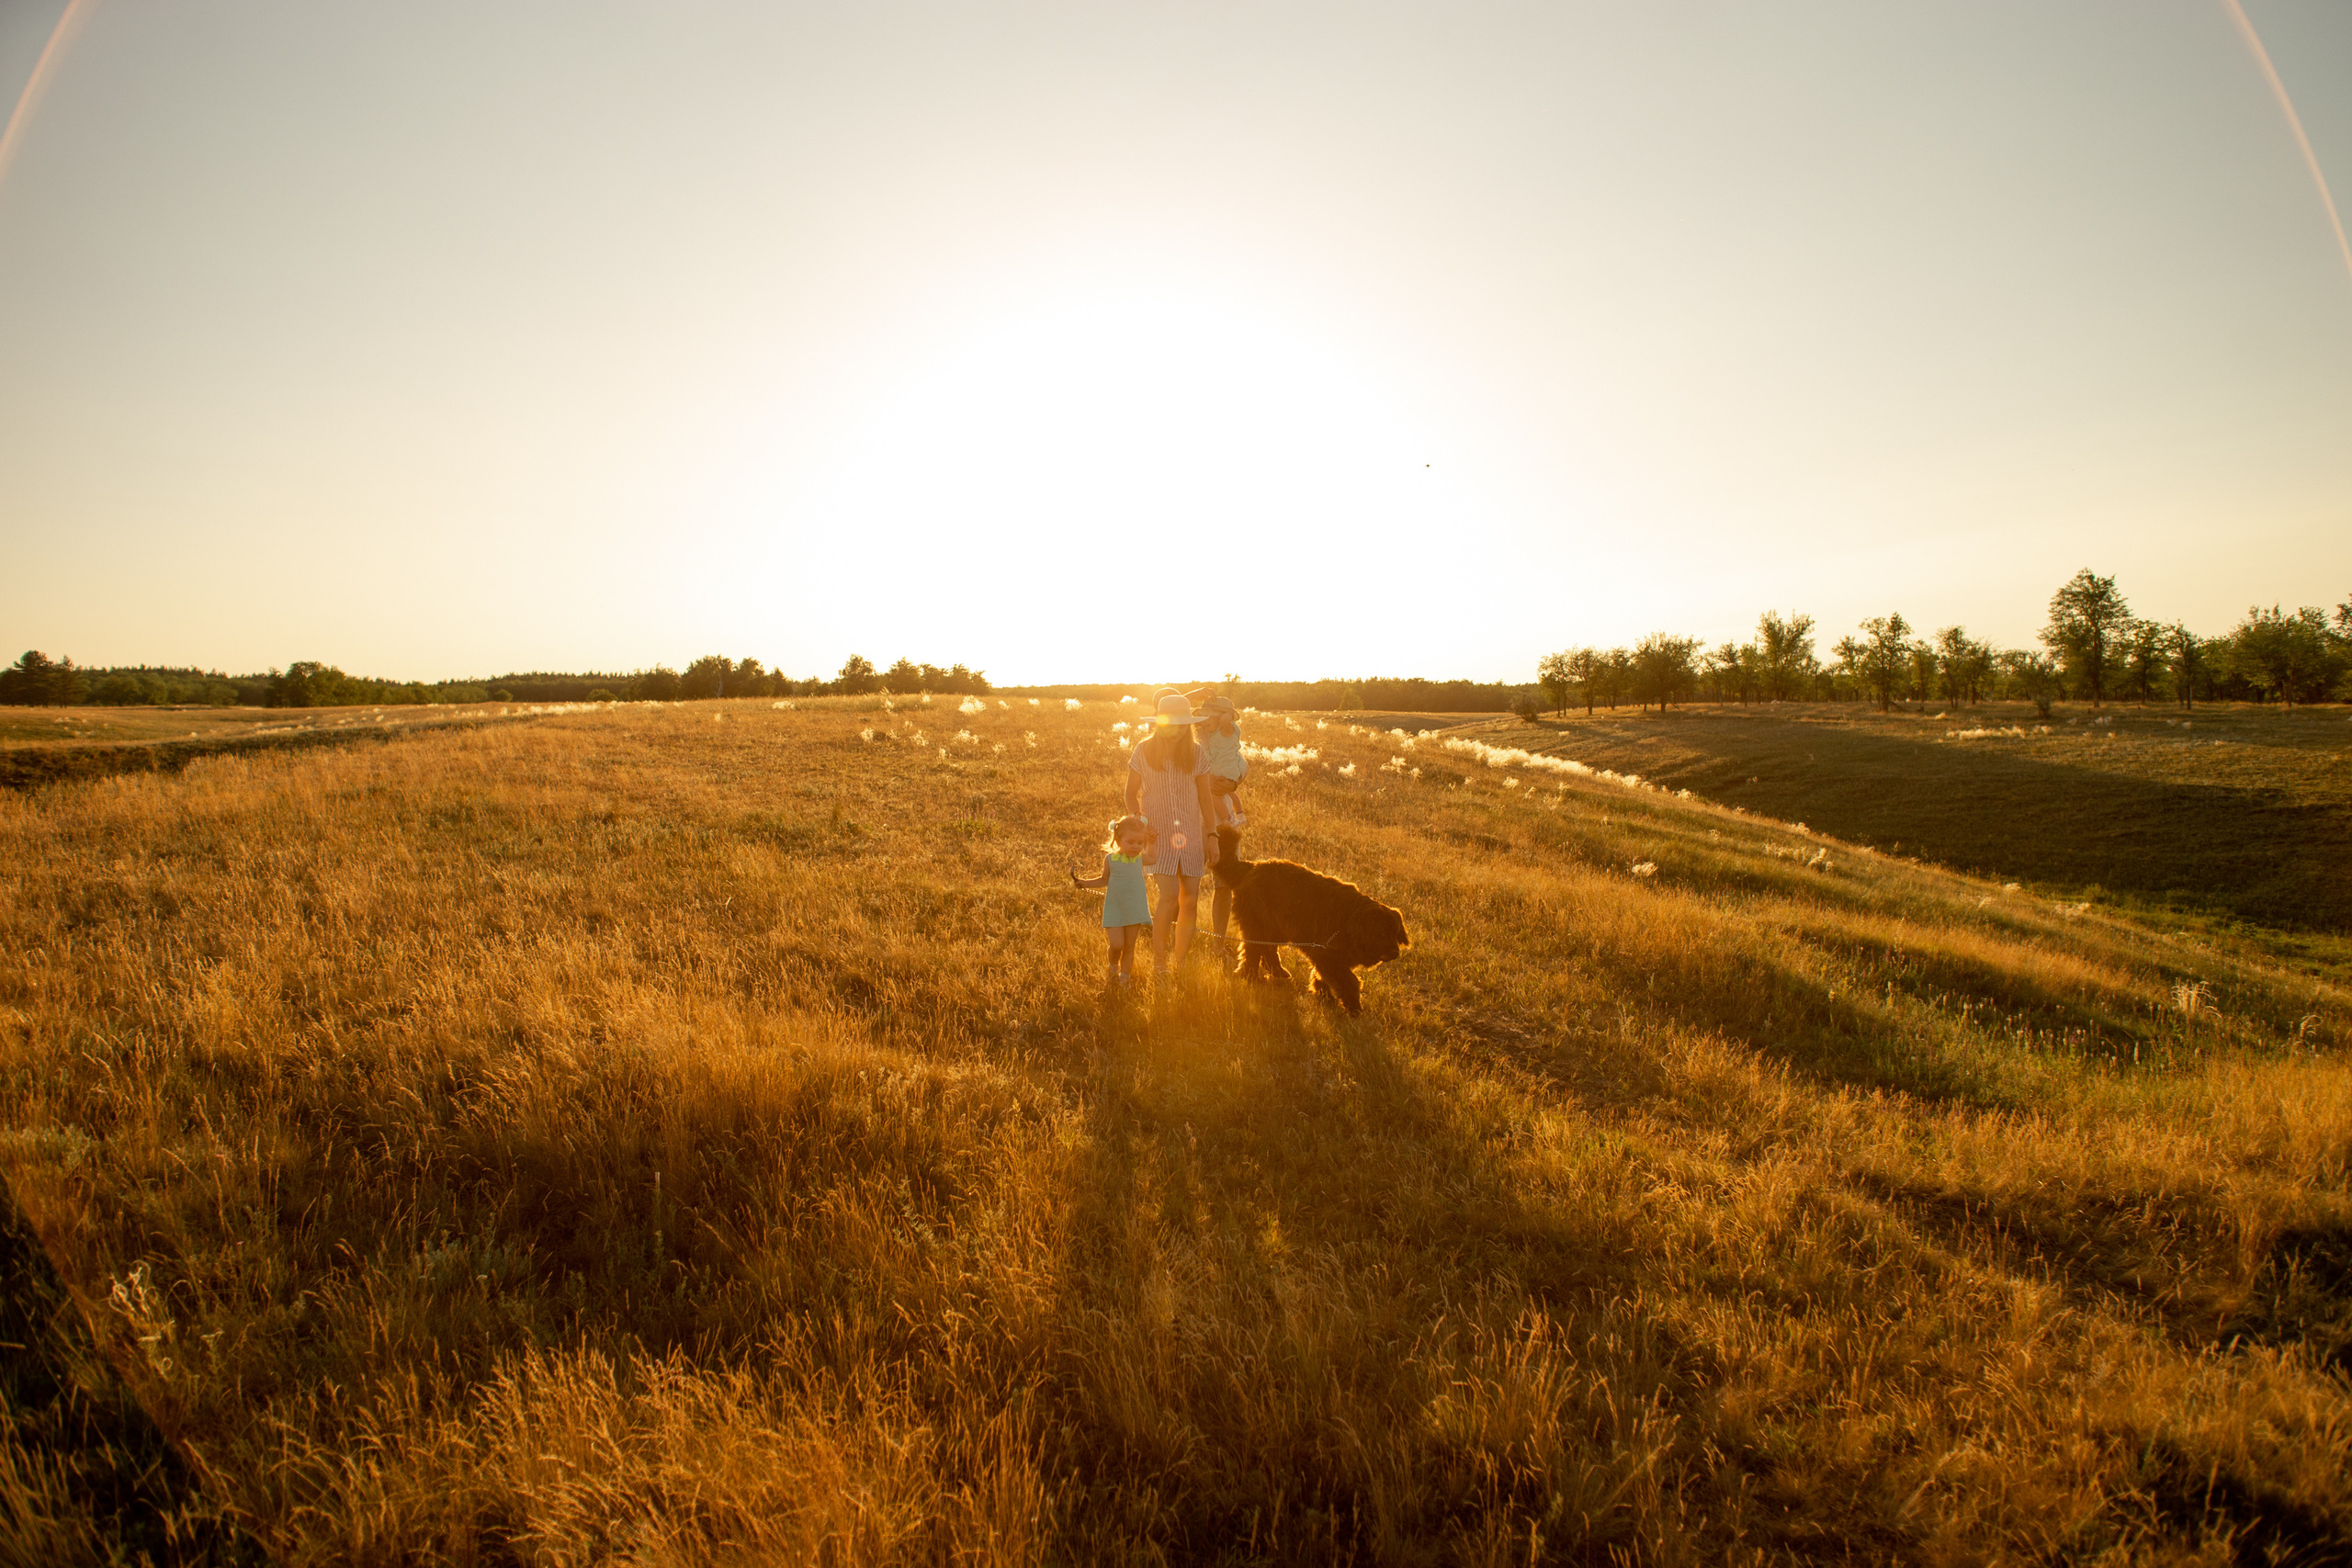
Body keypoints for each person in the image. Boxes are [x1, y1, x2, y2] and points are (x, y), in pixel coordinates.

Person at [1125, 692, 1221, 975]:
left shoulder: (1196, 753)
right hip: (1156, 837)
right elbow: (1130, 794)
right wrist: (1140, 823)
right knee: (1169, 896)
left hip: (1191, 835)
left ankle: (1179, 963)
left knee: (1190, 899)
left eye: (1183, 725)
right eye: (1171, 724)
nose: (1177, 731)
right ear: (1160, 723)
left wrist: (1212, 836)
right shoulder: (1143, 750)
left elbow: (1205, 798)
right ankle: (1160, 962)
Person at [1069, 815, 1155, 988]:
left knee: (1129, 946)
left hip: (1135, 908)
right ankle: (1112, 967)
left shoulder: (1140, 858)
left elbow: (1153, 859)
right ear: (1118, 840)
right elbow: (1103, 880)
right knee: (1116, 945)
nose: (1136, 846)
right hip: (1115, 908)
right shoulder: (1111, 860)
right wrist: (1084, 883)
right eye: (1131, 842)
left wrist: (1152, 843)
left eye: (1140, 842)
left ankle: (1125, 979)